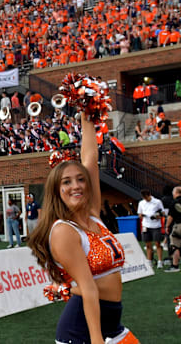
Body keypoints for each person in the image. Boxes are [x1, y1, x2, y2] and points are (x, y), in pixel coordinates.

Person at [29, 112, 137, 344]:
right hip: (81, 332)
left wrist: (87, 113)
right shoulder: (63, 231)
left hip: (112, 324)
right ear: (57, 190)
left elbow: (90, 159)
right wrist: (97, 340)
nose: (76, 186)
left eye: (80, 179)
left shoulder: (93, 216)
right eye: (66, 182)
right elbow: (88, 290)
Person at [137, 189, 167, 268]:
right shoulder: (141, 203)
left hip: (156, 225)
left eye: (146, 197)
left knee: (157, 243)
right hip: (146, 225)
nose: (145, 199)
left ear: (149, 195)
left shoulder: (157, 202)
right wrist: (142, 215)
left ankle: (160, 261)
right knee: (147, 244)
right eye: (144, 198)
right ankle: (149, 261)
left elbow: (163, 213)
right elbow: (139, 214)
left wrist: (157, 216)